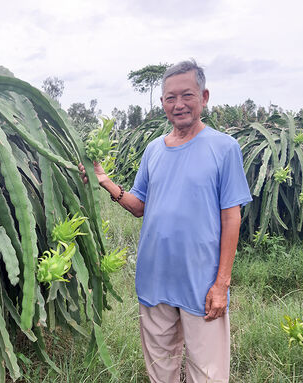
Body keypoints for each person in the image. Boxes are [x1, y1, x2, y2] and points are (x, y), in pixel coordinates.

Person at [79, 60, 252, 382]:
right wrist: (105, 181)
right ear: (162, 103)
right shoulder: (153, 150)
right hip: (154, 276)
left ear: (204, 96)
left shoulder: (224, 148)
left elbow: (232, 216)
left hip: (201, 281)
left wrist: (221, 284)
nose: (178, 104)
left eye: (187, 95)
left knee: (208, 373)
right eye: (170, 98)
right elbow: (140, 206)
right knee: (161, 370)